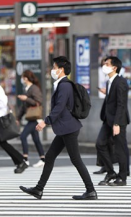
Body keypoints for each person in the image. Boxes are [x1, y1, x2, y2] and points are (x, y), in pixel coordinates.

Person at [19, 56, 97, 200]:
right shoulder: (62, 85)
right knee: (49, 157)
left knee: (76, 160)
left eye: (54, 68)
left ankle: (91, 190)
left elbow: (59, 107)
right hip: (64, 128)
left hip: (69, 128)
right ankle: (38, 189)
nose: (52, 70)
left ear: (61, 70)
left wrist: (45, 121)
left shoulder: (65, 85)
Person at [96, 56, 130, 186]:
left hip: (118, 120)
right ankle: (110, 172)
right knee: (100, 144)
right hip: (108, 119)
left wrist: (117, 123)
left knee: (120, 148)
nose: (104, 65)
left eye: (107, 63)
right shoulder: (109, 81)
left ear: (114, 67)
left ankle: (122, 177)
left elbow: (121, 104)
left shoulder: (120, 82)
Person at [17, 70, 45, 168]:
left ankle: (25, 159)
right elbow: (24, 107)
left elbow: (38, 102)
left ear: (26, 78)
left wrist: (26, 99)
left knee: (23, 136)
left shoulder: (34, 88)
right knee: (36, 139)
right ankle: (42, 159)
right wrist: (18, 118)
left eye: (23, 77)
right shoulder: (27, 88)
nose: (22, 79)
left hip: (35, 118)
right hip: (31, 117)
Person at [0, 85, 28, 174]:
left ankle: (20, 161)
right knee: (2, 142)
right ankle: (20, 161)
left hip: (1, 118)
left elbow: (3, 103)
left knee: (2, 142)